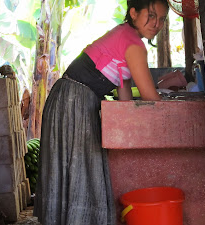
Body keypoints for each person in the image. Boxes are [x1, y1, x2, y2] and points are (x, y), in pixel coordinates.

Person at [33, 0, 169, 224]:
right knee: (81, 168)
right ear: (133, 13)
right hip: (74, 100)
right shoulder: (133, 43)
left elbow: (124, 94)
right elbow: (150, 97)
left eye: (162, 19)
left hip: (68, 97)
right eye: (151, 15)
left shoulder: (123, 35)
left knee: (75, 169)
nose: (157, 23)